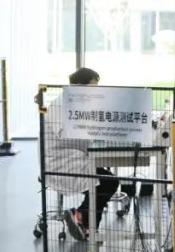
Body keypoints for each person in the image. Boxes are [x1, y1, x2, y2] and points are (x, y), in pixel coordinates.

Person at [43, 67, 119, 241]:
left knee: (106, 181)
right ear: (80, 86)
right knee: (107, 182)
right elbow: (64, 133)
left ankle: (84, 223)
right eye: (93, 87)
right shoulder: (61, 103)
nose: (96, 92)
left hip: (73, 157)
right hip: (60, 161)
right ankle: (83, 219)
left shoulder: (76, 102)